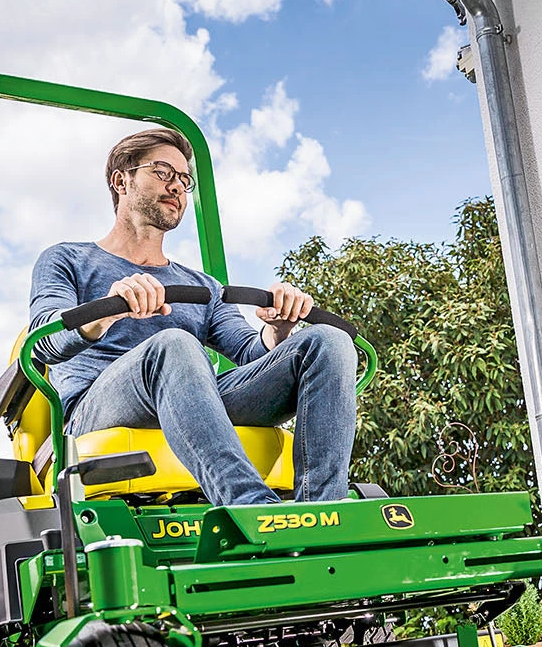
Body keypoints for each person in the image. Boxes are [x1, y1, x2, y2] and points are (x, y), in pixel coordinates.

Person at [28, 128, 356, 506]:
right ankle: (249, 507)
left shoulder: (201, 286)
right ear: (121, 180)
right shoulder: (66, 259)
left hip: (194, 402)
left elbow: (254, 357)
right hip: (96, 409)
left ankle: (322, 509)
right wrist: (105, 311)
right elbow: (44, 341)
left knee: (328, 341)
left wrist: (278, 329)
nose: (177, 188)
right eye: (163, 173)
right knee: (174, 344)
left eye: (184, 180)